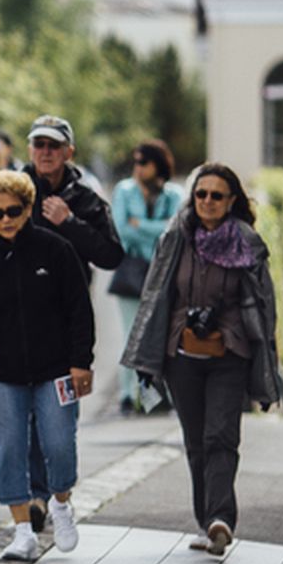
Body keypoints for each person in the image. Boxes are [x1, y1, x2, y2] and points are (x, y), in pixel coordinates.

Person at [0, 114, 122, 532]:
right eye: (39, 145)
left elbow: (111, 255)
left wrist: (68, 224)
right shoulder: (12, 189)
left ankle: (54, 493)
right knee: (20, 425)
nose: (46, 153)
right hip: (12, 326)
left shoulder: (85, 197)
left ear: (69, 152)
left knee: (54, 427)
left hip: (64, 319)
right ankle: (34, 498)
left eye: (54, 146)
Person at [122, 163, 281, 559]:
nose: (207, 201)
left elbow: (264, 307)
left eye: (216, 195)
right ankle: (206, 521)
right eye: (201, 194)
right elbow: (156, 294)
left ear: (231, 202)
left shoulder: (247, 243)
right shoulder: (177, 236)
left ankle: (221, 518)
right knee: (195, 441)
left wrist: (255, 351)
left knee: (221, 436)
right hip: (181, 354)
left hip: (230, 353)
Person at [0, 170, 95, 562]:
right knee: (10, 449)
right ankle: (21, 531)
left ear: (29, 208)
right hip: (3, 372)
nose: (5, 220)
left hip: (56, 371)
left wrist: (81, 363)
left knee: (58, 444)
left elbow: (79, 311)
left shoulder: (56, 251)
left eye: (13, 211)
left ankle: (62, 504)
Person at [110, 140, 184, 413]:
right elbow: (121, 230)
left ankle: (161, 397)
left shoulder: (175, 194)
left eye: (144, 162)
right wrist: (156, 229)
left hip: (165, 273)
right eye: (136, 162)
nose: (137, 168)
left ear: (158, 165)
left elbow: (177, 229)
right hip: (132, 270)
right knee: (132, 335)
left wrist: (140, 224)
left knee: (166, 335)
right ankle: (128, 396)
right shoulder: (124, 190)